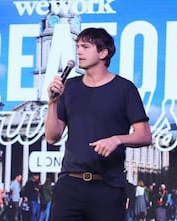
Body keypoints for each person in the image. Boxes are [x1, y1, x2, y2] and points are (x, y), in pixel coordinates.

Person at [45, 27, 152, 221]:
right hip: (70, 184)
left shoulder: (124, 88)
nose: (79, 52)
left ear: (103, 52)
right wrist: (52, 103)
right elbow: (52, 137)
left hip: (107, 186)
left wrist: (117, 140)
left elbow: (144, 134)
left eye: (85, 47)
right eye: (78, 46)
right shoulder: (69, 87)